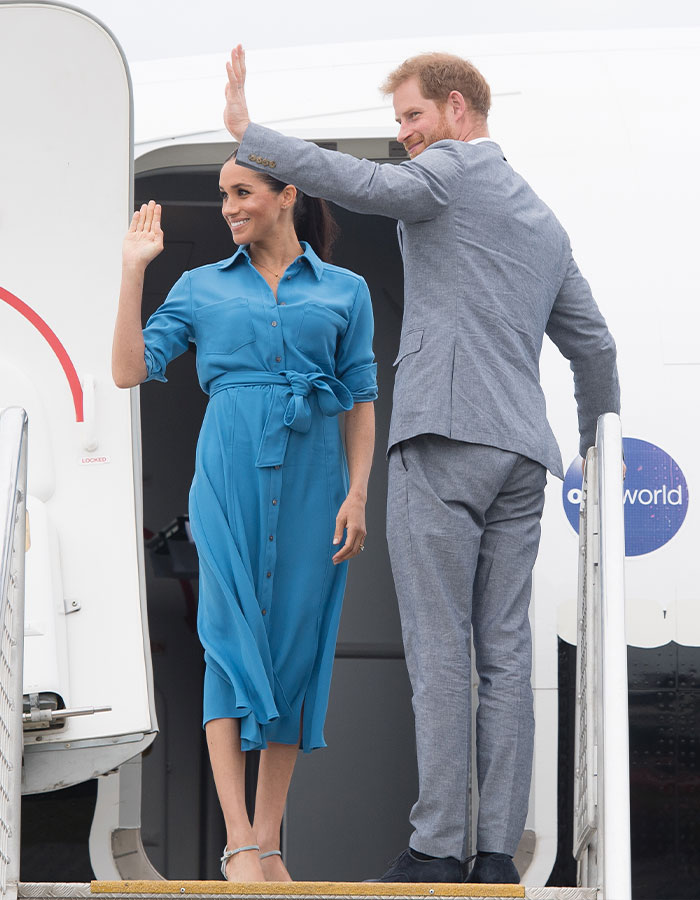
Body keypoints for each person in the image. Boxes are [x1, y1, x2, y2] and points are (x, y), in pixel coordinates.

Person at [222, 47, 620, 885]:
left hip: (443, 439)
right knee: (505, 656)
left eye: (412, 116)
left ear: (457, 110)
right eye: (400, 122)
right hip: (522, 455)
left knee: (441, 651)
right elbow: (595, 347)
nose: (405, 135)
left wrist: (251, 136)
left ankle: (439, 846)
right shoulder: (544, 221)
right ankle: (493, 857)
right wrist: (596, 450)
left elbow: (359, 186)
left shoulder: (448, 174)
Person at [112, 156, 377, 882]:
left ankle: (269, 840)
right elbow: (129, 370)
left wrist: (357, 493)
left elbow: (359, 398)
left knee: (293, 649)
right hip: (227, 474)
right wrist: (135, 269)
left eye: (242, 193)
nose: (228, 206)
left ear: (285, 196)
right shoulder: (199, 286)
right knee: (228, 640)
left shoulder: (345, 291)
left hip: (316, 478)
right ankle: (238, 844)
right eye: (224, 195)